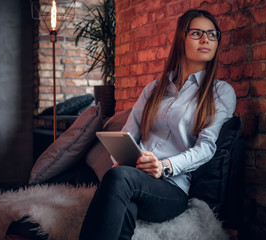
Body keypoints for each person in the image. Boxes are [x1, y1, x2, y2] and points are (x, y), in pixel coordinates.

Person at [79, 9, 236, 240]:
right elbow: (128, 133)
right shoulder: (153, 89)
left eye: (213, 34)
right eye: (197, 33)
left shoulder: (220, 92)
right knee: (125, 201)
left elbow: (207, 147)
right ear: (181, 38)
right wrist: (120, 161)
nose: (206, 39)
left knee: (118, 179)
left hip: (171, 190)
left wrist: (164, 166)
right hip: (132, 178)